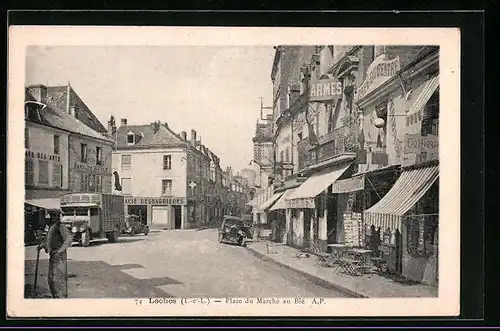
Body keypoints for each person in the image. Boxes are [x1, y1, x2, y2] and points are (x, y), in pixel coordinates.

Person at [37, 212, 73, 298]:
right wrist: (42, 245)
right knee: (51, 280)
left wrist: (59, 251)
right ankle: (56, 299)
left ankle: (61, 301)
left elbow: (68, 240)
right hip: (53, 256)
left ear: (58, 216)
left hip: (60, 257)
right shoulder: (51, 227)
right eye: (51, 215)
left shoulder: (61, 226)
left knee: (58, 281)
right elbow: (49, 240)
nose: (52, 217)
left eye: (54, 215)